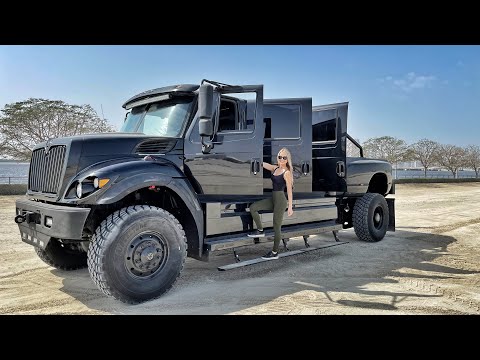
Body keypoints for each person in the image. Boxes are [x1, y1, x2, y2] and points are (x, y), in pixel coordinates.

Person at [248, 148, 294, 260]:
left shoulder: (287, 173)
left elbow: (289, 190)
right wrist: (253, 157)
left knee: (276, 226)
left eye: (284, 157)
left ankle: (274, 252)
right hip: (273, 198)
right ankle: (260, 230)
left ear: (287, 159)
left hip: (281, 201)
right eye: (280, 157)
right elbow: (263, 164)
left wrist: (290, 206)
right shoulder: (275, 168)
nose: (282, 159)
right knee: (253, 207)